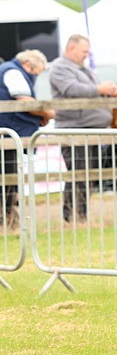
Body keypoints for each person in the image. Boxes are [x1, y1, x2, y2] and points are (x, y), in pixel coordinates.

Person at [49, 34, 117, 224]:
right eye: (84, 51)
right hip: (75, 129)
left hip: (92, 129)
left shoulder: (84, 69)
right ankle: (72, 217)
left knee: (88, 175)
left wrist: (107, 91)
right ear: (71, 49)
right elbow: (71, 90)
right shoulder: (59, 68)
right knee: (78, 173)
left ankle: (80, 216)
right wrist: (100, 89)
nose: (86, 55)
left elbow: (89, 89)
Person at [0, 50, 54, 229]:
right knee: (9, 178)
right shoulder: (14, 72)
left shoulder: (9, 70)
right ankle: (8, 220)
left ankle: (8, 220)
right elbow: (25, 101)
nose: (35, 77)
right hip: (8, 135)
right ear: (29, 65)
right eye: (36, 73)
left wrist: (37, 117)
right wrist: (47, 112)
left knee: (9, 178)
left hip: (9, 133)